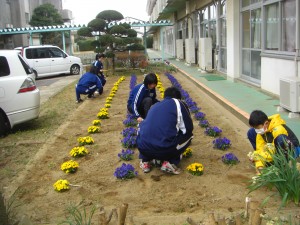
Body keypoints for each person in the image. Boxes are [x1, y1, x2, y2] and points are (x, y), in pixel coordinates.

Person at [136, 86, 194, 174]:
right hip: (163, 150)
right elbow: (188, 128)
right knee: (189, 136)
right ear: (178, 98)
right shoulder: (178, 103)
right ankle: (171, 162)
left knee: (147, 131)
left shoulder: (155, 105)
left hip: (142, 147)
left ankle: (145, 161)